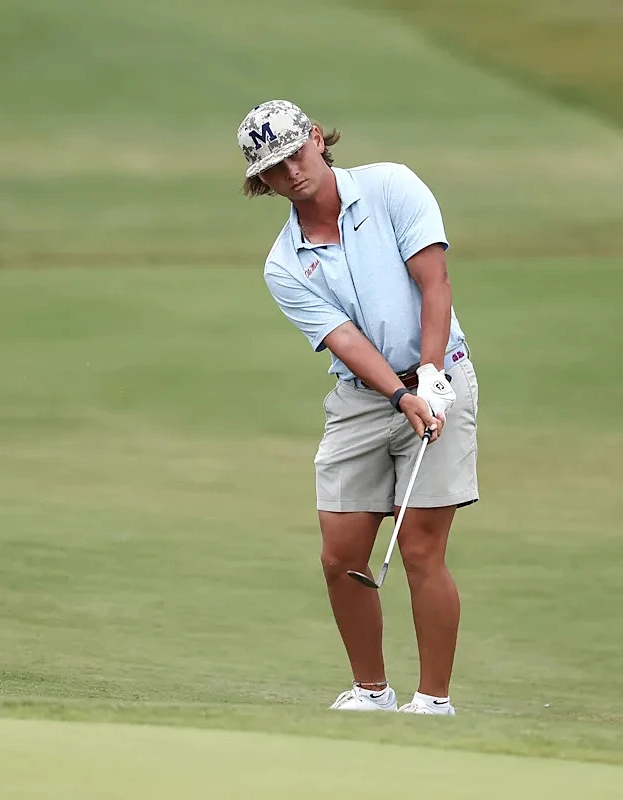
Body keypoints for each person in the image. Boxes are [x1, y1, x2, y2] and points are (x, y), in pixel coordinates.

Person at [236, 100, 479, 716]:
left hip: (441, 378)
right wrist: (399, 395)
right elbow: (344, 339)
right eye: (274, 168)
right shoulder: (284, 264)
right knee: (340, 555)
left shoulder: (391, 186)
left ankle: (433, 701)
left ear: (317, 139)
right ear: (262, 181)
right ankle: (372, 691)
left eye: (296, 154)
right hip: (361, 400)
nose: (292, 172)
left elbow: (435, 284)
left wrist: (429, 377)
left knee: (420, 549)